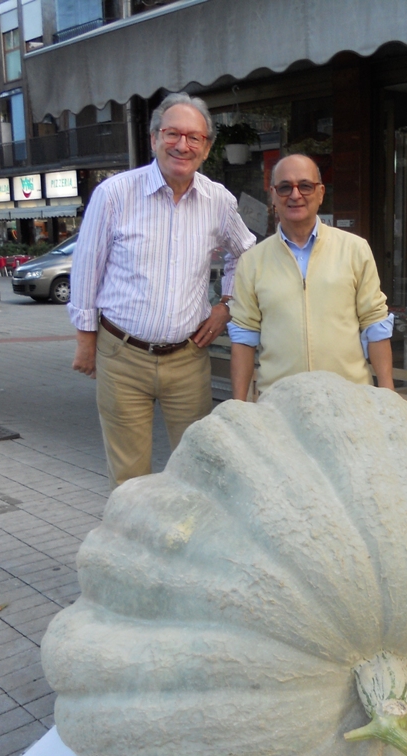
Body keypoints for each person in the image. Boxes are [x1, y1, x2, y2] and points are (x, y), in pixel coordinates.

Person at [69, 92, 256, 485]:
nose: (182, 145)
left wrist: (226, 305)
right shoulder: (114, 194)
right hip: (122, 355)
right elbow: (87, 269)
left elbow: (247, 253)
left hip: (188, 359)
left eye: (194, 138)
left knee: (197, 468)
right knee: (129, 475)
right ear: (155, 137)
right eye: (173, 133)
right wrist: (86, 341)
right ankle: (132, 544)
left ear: (206, 148)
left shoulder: (217, 200)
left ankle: (186, 544)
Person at [228, 154, 393, 400]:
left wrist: (388, 394)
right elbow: (244, 336)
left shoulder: (354, 249)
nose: (295, 195)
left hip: (350, 399)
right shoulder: (252, 262)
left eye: (305, 186)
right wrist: (238, 405)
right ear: (273, 195)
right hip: (280, 405)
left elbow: (375, 324)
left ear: (321, 192)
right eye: (285, 187)